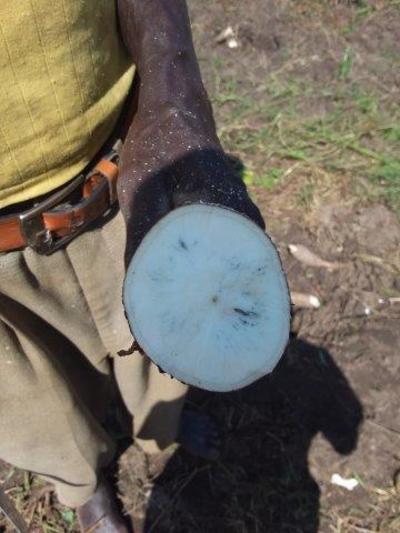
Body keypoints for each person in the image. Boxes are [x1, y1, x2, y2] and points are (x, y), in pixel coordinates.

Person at [0, 1, 264, 531]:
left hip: (122, 173)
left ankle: (157, 429)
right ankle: (83, 486)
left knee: (161, 349)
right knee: (30, 403)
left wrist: (173, 97)